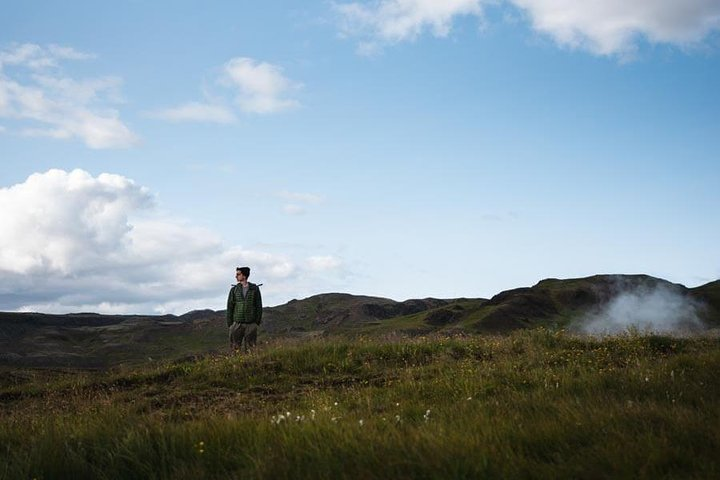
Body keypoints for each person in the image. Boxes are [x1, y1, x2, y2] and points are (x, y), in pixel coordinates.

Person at [227, 266, 263, 353]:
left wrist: (256, 322)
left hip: (251, 324)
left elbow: (259, 305)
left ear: (244, 275)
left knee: (251, 349)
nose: (236, 276)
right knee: (235, 349)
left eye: (238, 274)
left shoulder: (254, 289)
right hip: (237, 323)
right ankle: (235, 366)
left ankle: (251, 365)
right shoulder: (234, 290)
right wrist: (230, 324)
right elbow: (230, 307)